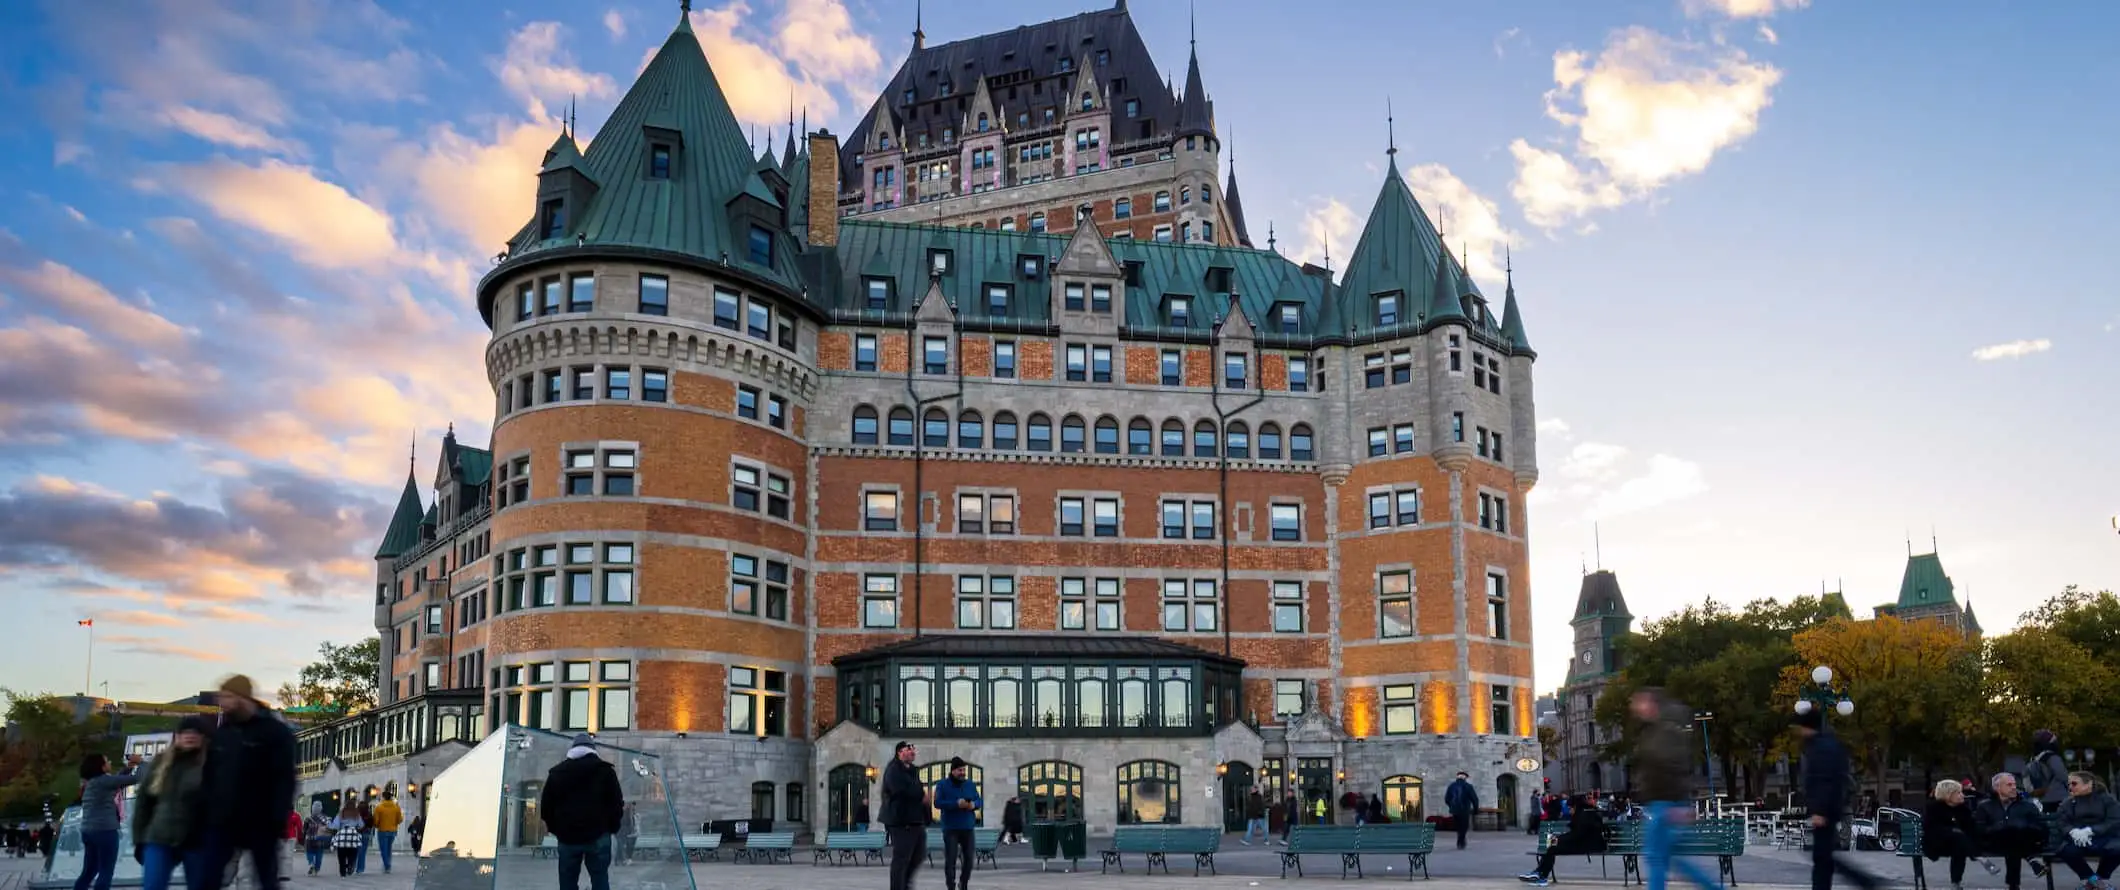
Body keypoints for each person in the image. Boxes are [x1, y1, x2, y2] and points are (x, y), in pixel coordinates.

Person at [201, 676, 297, 890]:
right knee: (208, 878)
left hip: (261, 820)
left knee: (265, 879)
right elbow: (209, 775)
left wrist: (277, 817)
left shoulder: (274, 732)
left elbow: (285, 778)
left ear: (242, 698)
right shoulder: (223, 733)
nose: (222, 702)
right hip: (223, 821)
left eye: (227, 696)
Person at [1631, 689, 1725, 890]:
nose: (1636, 706)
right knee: (1669, 859)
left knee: (1657, 858)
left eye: (1641, 701)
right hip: (1664, 803)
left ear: (1653, 704)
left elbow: (1675, 766)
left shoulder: (1665, 732)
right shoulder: (1656, 731)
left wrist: (1678, 803)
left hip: (1666, 804)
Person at [1793, 708, 1876, 890]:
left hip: (1825, 810)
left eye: (1801, 727)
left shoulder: (1821, 748)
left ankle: (1865, 881)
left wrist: (1819, 811)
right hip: (1829, 808)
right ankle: (1863, 882)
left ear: (1808, 727)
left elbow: (1824, 780)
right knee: (1824, 857)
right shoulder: (1828, 744)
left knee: (1822, 857)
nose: (1799, 732)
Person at [133, 716, 215, 890]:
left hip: (197, 841)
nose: (189, 736)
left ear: (204, 737)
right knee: (153, 886)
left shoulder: (212, 764)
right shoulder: (161, 762)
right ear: (176, 736)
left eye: (195, 732)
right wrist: (139, 839)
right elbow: (143, 802)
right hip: (159, 836)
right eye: (184, 732)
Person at [538, 734, 625, 890]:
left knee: (567, 882)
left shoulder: (557, 773)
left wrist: (556, 829)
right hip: (598, 834)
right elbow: (616, 803)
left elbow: (546, 807)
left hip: (567, 837)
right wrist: (611, 828)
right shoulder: (606, 772)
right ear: (592, 750)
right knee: (600, 879)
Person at [74, 752, 143, 890]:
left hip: (88, 831)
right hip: (105, 831)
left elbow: (116, 782)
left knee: (89, 871)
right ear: (101, 766)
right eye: (107, 761)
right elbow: (137, 778)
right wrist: (141, 762)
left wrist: (127, 769)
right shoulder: (104, 781)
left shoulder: (93, 782)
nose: (110, 762)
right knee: (106, 870)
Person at [1976, 772, 2050, 890]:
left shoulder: (2027, 805)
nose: (2014, 787)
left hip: (2026, 840)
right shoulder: (1985, 806)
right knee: (2010, 833)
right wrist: (2001, 827)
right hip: (1996, 842)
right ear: (1997, 787)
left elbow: (2041, 827)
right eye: (2009, 785)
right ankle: (2031, 861)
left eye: (2014, 784)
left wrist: (2022, 827)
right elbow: (1979, 829)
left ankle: (2013, 885)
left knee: (2014, 835)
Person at [1923, 779, 1995, 890]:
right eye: (1958, 793)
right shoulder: (1934, 808)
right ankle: (1979, 857)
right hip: (1937, 844)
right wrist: (1953, 831)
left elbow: (1971, 828)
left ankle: (1955, 883)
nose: (1962, 795)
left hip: (1959, 844)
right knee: (1958, 836)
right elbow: (1932, 830)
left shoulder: (1963, 809)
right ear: (1948, 795)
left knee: (1960, 844)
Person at [1521, 794, 1607, 885]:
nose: (1570, 811)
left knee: (1553, 848)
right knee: (1553, 847)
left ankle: (1541, 875)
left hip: (1589, 845)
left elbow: (1577, 835)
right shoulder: (1584, 813)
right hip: (1588, 843)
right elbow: (1577, 834)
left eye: (1570, 808)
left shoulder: (1584, 815)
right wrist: (1560, 839)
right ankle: (1540, 873)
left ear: (1575, 806)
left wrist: (1560, 839)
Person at [2053, 771, 2120, 888]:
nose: (2070, 787)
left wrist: (2091, 830)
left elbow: (2113, 820)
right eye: (2068, 784)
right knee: (2066, 850)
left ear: (2088, 784)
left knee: (2117, 849)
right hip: (2078, 839)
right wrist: (2073, 832)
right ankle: (2095, 881)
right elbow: (2062, 822)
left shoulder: (2107, 800)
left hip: (2104, 838)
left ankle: (2095, 881)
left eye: (2074, 784)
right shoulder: (2068, 803)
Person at [880, 741, 930, 890]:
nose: (912, 752)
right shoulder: (893, 770)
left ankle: (905, 884)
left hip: (915, 820)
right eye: (909, 750)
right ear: (900, 753)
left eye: (914, 750)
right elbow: (901, 790)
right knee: (901, 859)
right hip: (900, 820)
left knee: (919, 855)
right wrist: (921, 795)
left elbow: (917, 790)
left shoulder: (913, 771)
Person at [934, 758, 981, 890]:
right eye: (960, 770)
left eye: (964, 770)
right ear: (953, 770)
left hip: (968, 827)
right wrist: (956, 804)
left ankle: (963, 883)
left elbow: (979, 800)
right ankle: (951, 886)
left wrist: (973, 805)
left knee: (969, 860)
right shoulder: (942, 785)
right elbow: (937, 803)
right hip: (951, 828)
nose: (962, 773)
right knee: (951, 860)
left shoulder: (970, 785)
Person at [2027, 731, 2071, 814]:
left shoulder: (2034, 759)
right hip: (2058, 796)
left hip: (2042, 797)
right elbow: (2062, 775)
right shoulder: (2052, 758)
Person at [370, 792, 402, 874]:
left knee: (383, 849)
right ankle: (387, 864)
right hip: (393, 830)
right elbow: (400, 819)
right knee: (389, 848)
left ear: (383, 797)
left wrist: (377, 825)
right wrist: (394, 824)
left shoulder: (379, 807)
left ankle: (387, 865)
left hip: (382, 830)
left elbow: (376, 820)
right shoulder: (396, 807)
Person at [1444, 772, 1478, 850]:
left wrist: (1451, 806)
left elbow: (1446, 799)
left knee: (1458, 826)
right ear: (1465, 778)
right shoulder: (1468, 786)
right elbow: (1474, 799)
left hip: (1455, 810)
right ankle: (1461, 841)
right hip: (1464, 810)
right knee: (1464, 826)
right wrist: (1476, 809)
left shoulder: (1451, 786)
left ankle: (1460, 840)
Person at [301, 804, 331, 876]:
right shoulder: (325, 818)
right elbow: (329, 828)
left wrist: (302, 839)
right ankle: (317, 869)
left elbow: (304, 830)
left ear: (312, 809)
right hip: (320, 839)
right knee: (319, 854)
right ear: (321, 809)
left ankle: (311, 863)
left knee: (309, 852)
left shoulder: (308, 818)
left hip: (309, 839)